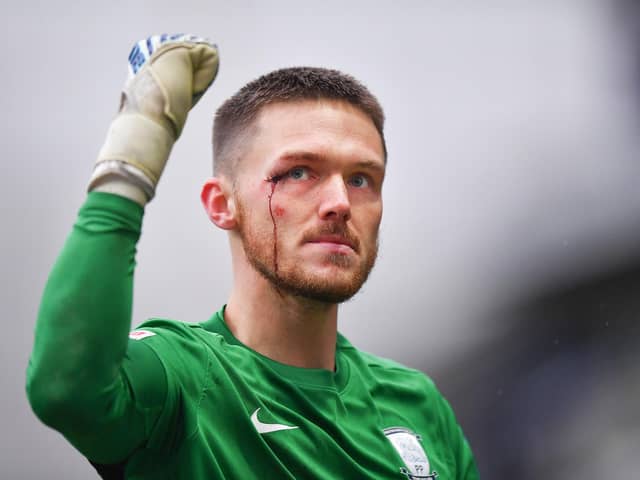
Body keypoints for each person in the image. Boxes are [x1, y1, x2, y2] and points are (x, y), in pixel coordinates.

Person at [26, 34, 479, 480]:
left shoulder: (418, 404)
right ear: (222, 204)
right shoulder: (182, 380)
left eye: (362, 179)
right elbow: (66, 389)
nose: (340, 201)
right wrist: (132, 155)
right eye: (299, 172)